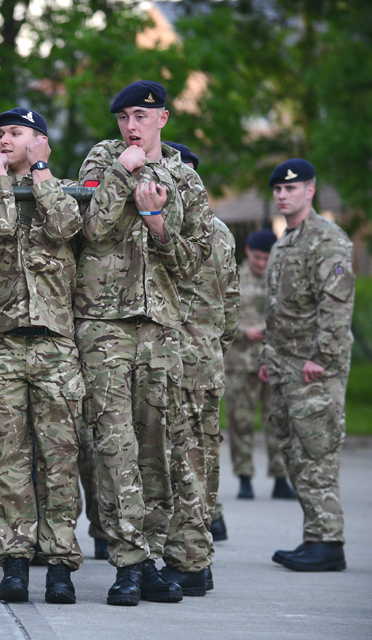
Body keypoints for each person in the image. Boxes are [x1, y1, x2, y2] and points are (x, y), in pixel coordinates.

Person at [74, 80, 213, 606]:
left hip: (160, 326)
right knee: (113, 445)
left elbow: (196, 260)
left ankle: (152, 556)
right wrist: (121, 173)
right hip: (104, 323)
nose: (131, 126)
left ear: (163, 119)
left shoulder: (185, 178)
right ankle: (127, 562)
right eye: (124, 117)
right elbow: (91, 230)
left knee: (156, 445)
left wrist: (157, 223)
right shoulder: (101, 161)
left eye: (141, 116)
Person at [0, 107, 84, 604]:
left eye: (15, 133)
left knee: (60, 457)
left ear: (40, 142)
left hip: (55, 344)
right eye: (0, 134)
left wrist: (39, 174)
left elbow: (62, 227)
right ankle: (15, 562)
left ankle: (59, 564)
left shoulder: (62, 191)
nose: (4, 140)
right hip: (2, 343)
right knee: (7, 460)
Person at [260, 159, 354, 572]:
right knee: (294, 453)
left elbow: (336, 305)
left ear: (310, 191)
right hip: (285, 366)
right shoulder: (285, 243)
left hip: (314, 368)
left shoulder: (326, 239)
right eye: (278, 189)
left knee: (317, 452)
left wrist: (323, 357)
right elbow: (277, 310)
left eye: (291, 189)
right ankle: (314, 535)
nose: (283, 195)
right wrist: (269, 357)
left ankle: (328, 540)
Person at [159, 142, 239, 596]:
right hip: (206, 358)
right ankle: (199, 559)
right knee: (202, 461)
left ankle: (190, 564)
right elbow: (231, 305)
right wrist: (212, 345)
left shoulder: (182, 232)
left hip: (181, 359)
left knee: (183, 463)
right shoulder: (222, 231)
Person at [225, 230, 295, 501]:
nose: (262, 264)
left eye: (267, 258)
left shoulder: (282, 281)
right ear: (248, 251)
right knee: (240, 422)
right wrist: (243, 330)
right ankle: (244, 478)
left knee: (278, 421)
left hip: (275, 360)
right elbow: (218, 314)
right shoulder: (232, 278)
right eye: (257, 257)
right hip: (240, 363)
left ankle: (280, 478)